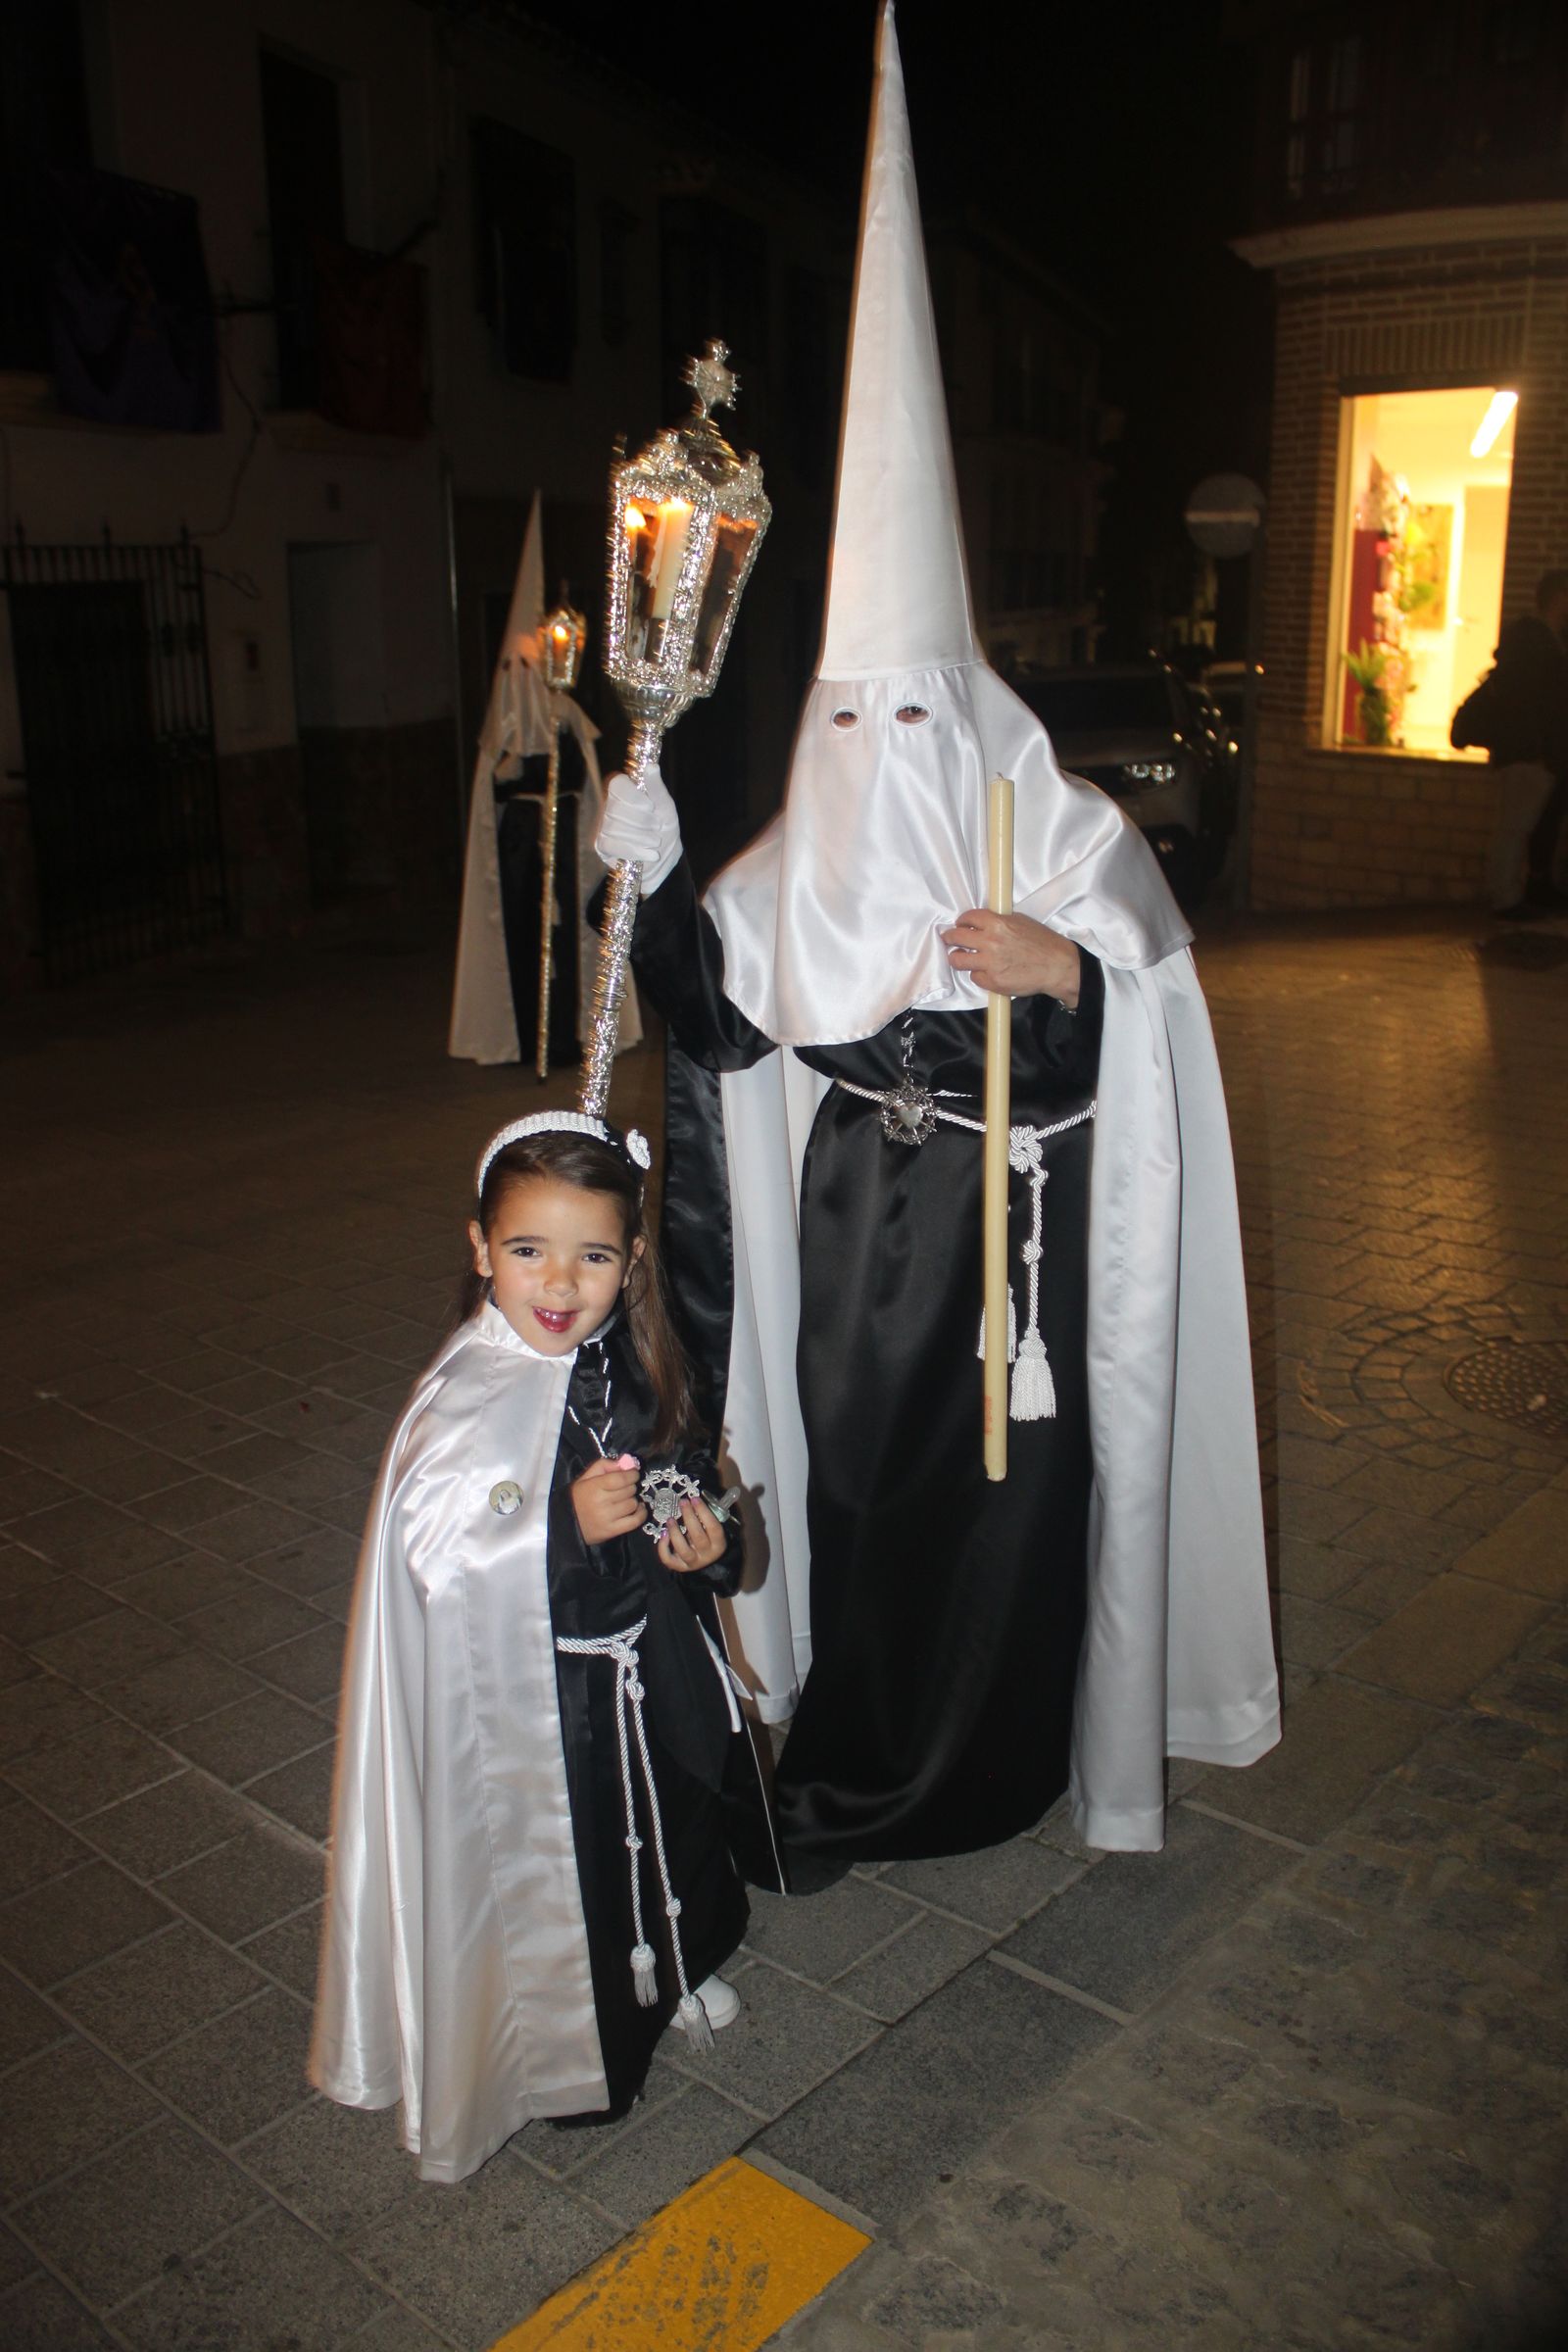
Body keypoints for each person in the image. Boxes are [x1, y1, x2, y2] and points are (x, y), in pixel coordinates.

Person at [596, 0, 1279, 1868]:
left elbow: (1147, 1027)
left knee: (1015, 1512)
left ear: (968, 716)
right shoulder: (779, 866)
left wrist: (1067, 980)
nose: (876, 761)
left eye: (913, 719)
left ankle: (1006, 1761)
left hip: (1021, 1270)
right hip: (849, 1266)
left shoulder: (1053, 832)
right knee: (875, 1502)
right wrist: (647, 865)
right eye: (848, 723)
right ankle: (851, 1763)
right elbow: (707, 1011)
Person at [311, 1112, 768, 2183]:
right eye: (528, 1251)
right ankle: (584, 2043)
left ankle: (684, 1956)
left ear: (632, 1262)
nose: (559, 1283)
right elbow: (440, 1560)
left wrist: (707, 1546)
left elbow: (694, 1482)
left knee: (680, 1817)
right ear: (479, 1249)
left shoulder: (645, 1362)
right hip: (545, 1702)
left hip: (651, 1664)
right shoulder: (462, 1396)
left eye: (593, 1256)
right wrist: (560, 1527)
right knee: (584, 1862)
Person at [1485, 567, 1568, 919]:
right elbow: (1540, 704)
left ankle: (1511, 893)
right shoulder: (1540, 647)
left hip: (1527, 751)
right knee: (1515, 827)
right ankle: (1504, 897)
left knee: (1519, 826)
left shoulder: (1534, 643)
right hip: (1528, 753)